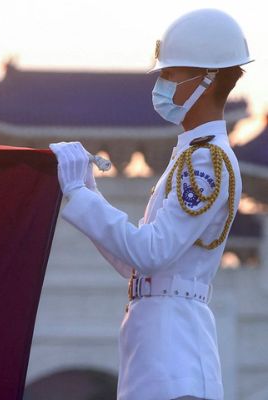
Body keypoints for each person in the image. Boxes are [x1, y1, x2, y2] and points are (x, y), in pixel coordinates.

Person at [49, 8, 252, 400]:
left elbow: (150, 252)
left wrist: (78, 196)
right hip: (156, 344)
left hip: (175, 350)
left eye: (170, 75)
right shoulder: (189, 154)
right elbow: (134, 263)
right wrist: (88, 196)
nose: (160, 85)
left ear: (207, 82)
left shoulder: (206, 160)